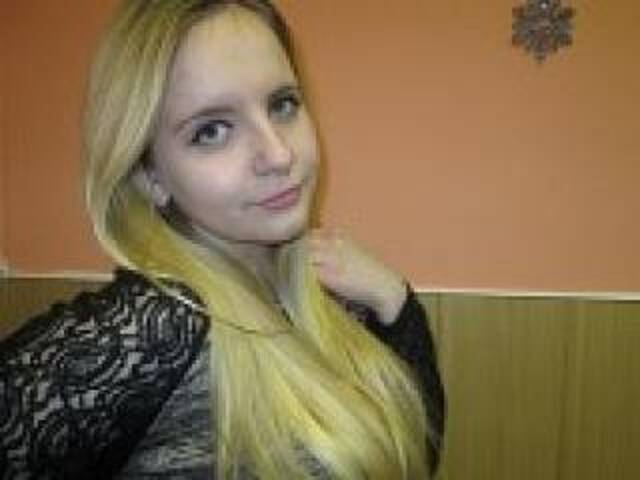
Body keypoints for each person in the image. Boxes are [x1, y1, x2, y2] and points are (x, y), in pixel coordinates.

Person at [0, 1, 445, 478]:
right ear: (150, 175)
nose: (278, 154)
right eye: (211, 131)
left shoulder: (336, 303)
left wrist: (395, 302)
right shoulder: (159, 328)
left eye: (282, 104)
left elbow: (407, 452)